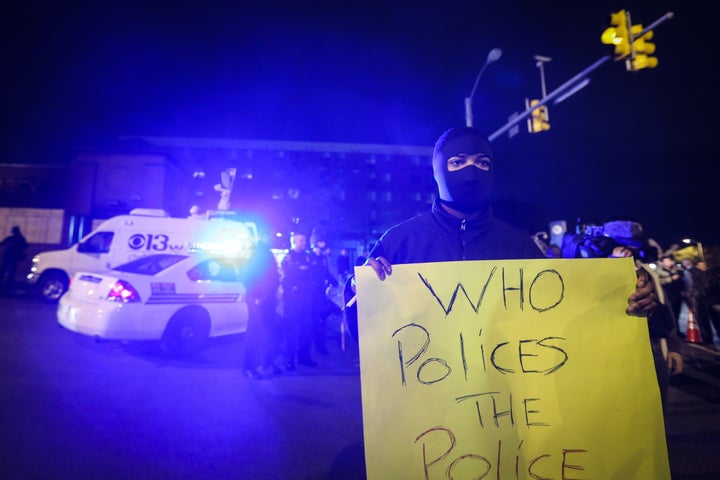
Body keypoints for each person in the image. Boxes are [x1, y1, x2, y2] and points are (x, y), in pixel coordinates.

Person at [346, 127, 657, 339]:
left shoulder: (519, 245)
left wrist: (625, 300)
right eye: (458, 162)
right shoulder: (400, 241)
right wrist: (359, 291)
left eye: (482, 162)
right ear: (438, 170)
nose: (472, 171)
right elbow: (364, 331)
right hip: (426, 407)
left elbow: (561, 316)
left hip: (505, 408)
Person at [239, 236, 282, 379]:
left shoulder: (268, 254)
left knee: (269, 332)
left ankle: (266, 363)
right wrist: (256, 295)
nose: (273, 238)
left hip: (268, 298)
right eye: (271, 235)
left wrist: (273, 293)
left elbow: (274, 276)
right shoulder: (255, 252)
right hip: (256, 299)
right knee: (255, 333)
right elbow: (246, 275)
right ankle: (248, 367)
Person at [280, 231, 317, 369]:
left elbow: (311, 276)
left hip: (306, 300)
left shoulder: (308, 258)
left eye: (304, 240)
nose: (303, 243)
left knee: (306, 329)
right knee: (291, 331)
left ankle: (304, 357)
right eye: (301, 240)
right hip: (292, 300)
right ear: (294, 241)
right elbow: (287, 279)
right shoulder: (288, 258)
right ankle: (289, 360)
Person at [310, 238, 339, 356]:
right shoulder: (309, 258)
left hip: (321, 294)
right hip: (311, 295)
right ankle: (311, 346)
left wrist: (337, 284)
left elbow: (326, 273)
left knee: (321, 320)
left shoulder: (322, 259)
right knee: (312, 321)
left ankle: (320, 346)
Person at [657, 254, 684, 335]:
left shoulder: (675, 269)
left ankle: (677, 331)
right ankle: (671, 332)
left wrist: (675, 265)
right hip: (668, 296)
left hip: (677, 294)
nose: (670, 262)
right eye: (667, 260)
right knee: (669, 314)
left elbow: (682, 270)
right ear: (662, 263)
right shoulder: (659, 271)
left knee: (677, 313)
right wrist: (671, 279)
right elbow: (659, 282)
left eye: (670, 260)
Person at [0, 226, 28, 292]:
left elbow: (2, 243)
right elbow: (25, 246)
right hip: (12, 257)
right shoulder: (20, 238)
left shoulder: (12, 239)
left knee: (5, 271)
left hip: (10, 256)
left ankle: (5, 286)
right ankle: (7, 286)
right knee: (10, 272)